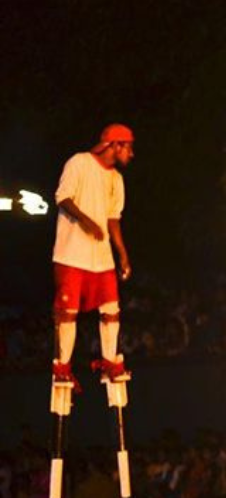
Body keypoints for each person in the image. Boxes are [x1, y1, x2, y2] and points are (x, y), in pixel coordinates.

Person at [52, 124, 135, 389]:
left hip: (101, 259)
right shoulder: (79, 162)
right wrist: (86, 220)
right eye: (128, 146)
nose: (131, 153)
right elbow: (62, 197)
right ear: (115, 145)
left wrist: (122, 254)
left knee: (111, 308)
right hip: (71, 254)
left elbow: (113, 220)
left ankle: (110, 364)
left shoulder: (117, 180)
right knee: (68, 311)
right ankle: (62, 367)